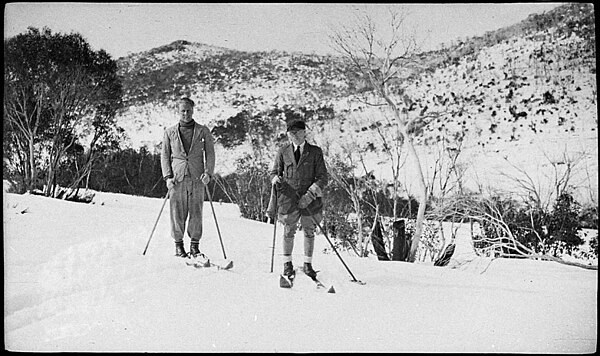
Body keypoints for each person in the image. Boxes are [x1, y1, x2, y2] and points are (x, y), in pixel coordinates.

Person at [269, 119, 328, 278]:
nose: (294, 136)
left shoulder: (315, 152)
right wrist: (275, 179)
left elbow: (322, 177)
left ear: (304, 132)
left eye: (297, 132)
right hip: (288, 198)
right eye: (291, 133)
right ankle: (287, 264)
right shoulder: (283, 151)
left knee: (309, 231)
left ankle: (308, 265)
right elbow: (274, 172)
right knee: (288, 231)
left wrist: (309, 195)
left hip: (310, 200)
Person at [161, 97, 215, 259]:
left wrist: (208, 173)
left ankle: (194, 245)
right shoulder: (169, 132)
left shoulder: (203, 130)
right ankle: (178, 245)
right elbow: (164, 155)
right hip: (177, 177)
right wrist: (167, 177)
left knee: (196, 210)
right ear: (178, 112)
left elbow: (210, 153)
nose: (186, 114)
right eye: (183, 111)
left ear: (193, 111)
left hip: (197, 176)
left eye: (188, 111)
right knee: (177, 210)